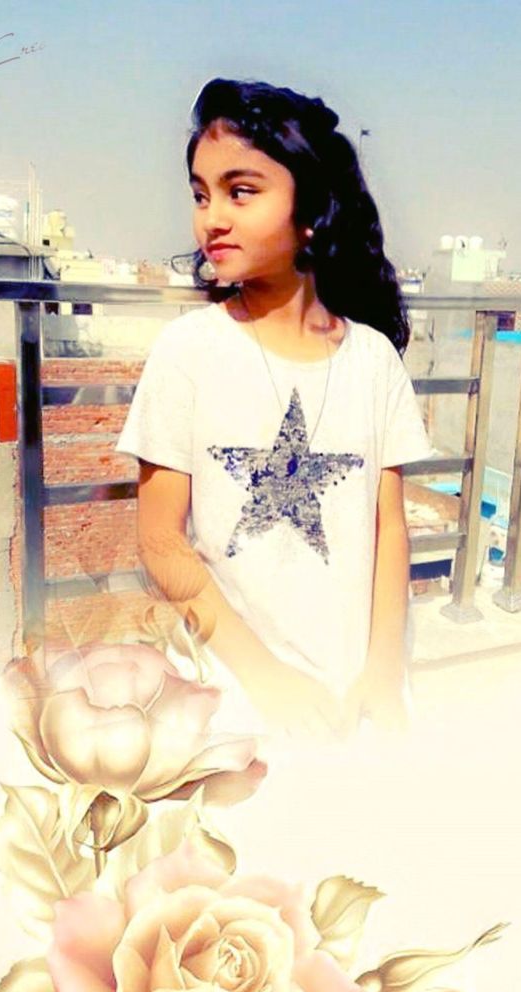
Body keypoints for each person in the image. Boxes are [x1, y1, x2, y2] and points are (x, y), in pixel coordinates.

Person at [116, 77, 432, 740]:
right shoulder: (188, 351)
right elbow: (160, 538)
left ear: (311, 209)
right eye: (201, 194)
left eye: (241, 191)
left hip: (360, 691)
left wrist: (383, 671)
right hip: (235, 694)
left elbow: (390, 528)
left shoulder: (373, 360)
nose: (212, 217)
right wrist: (266, 679)